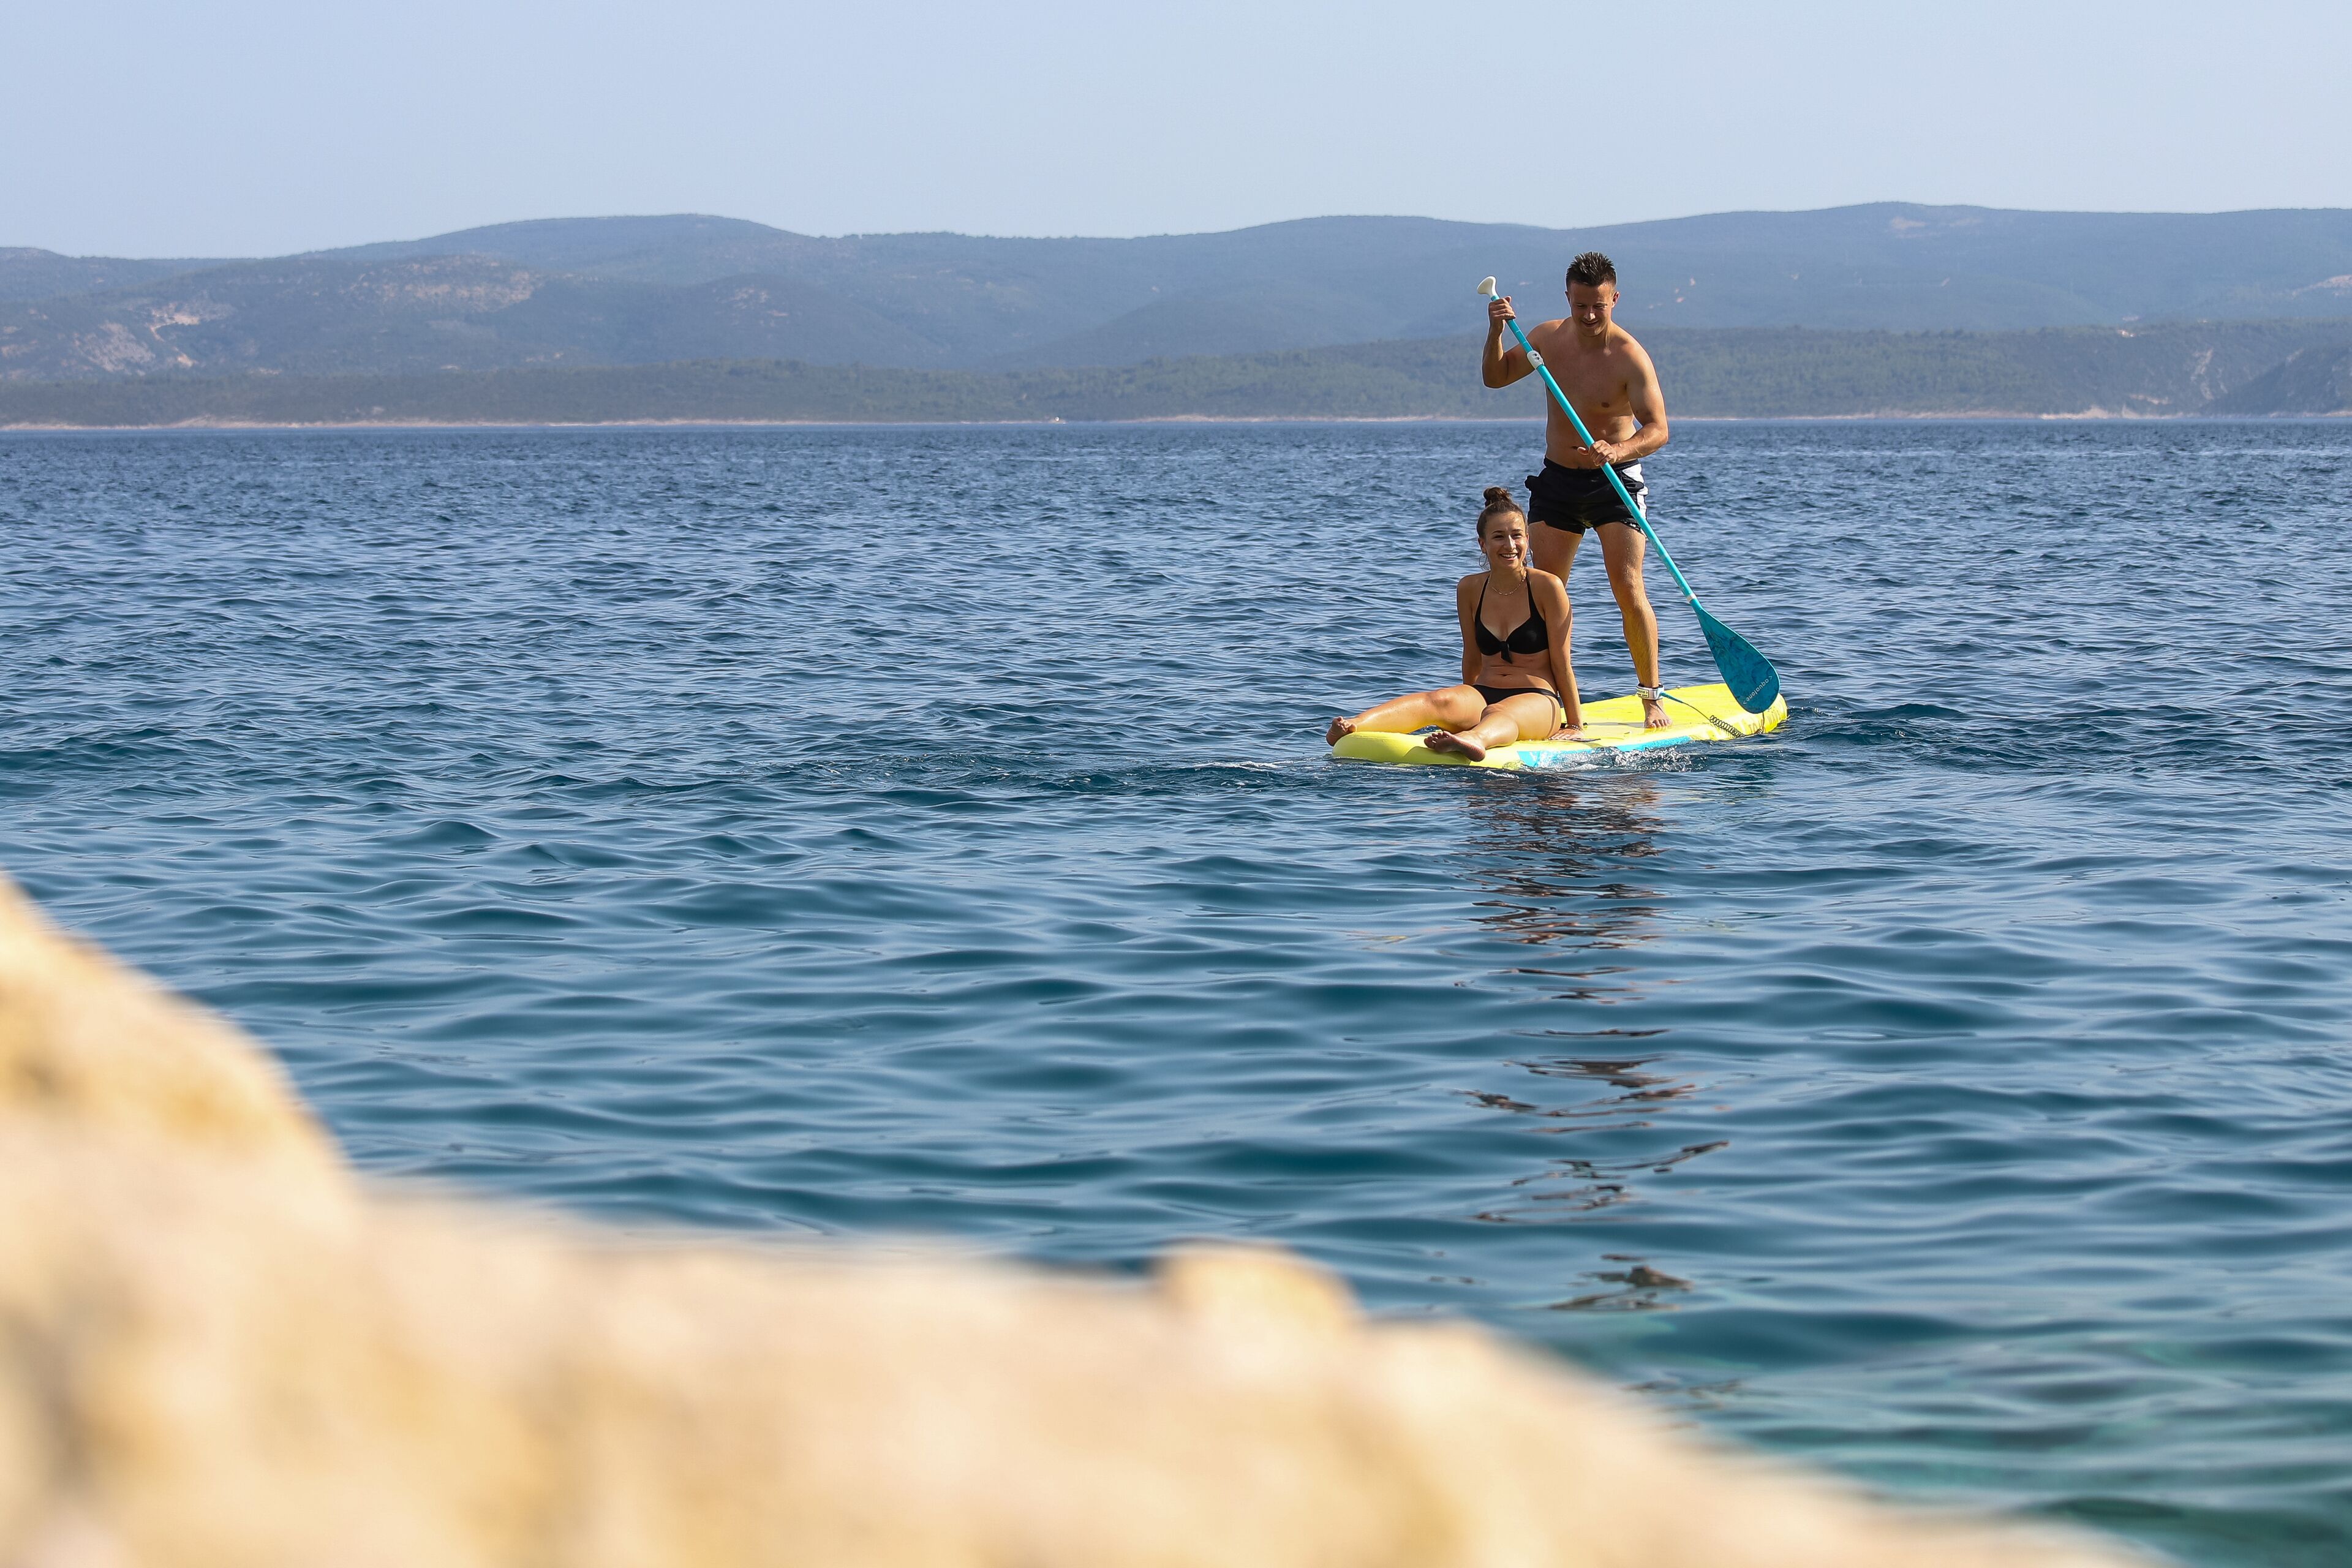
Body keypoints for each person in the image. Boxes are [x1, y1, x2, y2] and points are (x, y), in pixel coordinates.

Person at [1482, 251, 1674, 729]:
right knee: (1545, 591)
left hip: (1615, 481)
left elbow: (1659, 429)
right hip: (1559, 479)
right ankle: (1543, 695)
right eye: (1580, 306)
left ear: (1615, 299)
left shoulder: (1630, 356)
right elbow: (1495, 378)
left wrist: (1619, 450)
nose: (1589, 316)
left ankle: (1651, 697)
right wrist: (1496, 331)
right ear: (1568, 298)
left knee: (1628, 588)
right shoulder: (1545, 339)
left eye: (1599, 306)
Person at [1325, 488, 1580, 761]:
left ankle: (1475, 739)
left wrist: (1575, 723)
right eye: (1498, 537)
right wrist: (1462, 707)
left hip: (1538, 699)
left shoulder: (1547, 587)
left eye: (1517, 536)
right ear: (1482, 544)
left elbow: (1562, 661)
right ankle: (1354, 725)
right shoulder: (1470, 588)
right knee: (1438, 700)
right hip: (1483, 692)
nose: (1509, 545)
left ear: (1527, 540)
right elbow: (1472, 656)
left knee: (1500, 713)